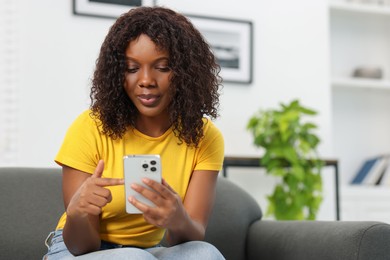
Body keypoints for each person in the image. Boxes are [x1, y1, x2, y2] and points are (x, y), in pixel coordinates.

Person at [43, 6, 225, 260]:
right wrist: (78, 212)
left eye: (162, 67)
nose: (146, 80)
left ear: (185, 73)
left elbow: (189, 236)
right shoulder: (90, 126)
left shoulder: (204, 136)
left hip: (145, 252)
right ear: (117, 74)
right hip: (76, 251)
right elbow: (79, 246)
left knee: (204, 254)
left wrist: (177, 218)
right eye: (131, 68)